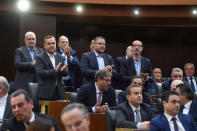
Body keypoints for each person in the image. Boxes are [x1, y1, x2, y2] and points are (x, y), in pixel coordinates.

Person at [36, 35, 68, 100]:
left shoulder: (60, 57)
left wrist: (63, 71)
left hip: (59, 92)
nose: (51, 45)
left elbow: (66, 73)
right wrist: (54, 71)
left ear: (56, 45)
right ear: (44, 46)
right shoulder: (40, 57)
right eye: (49, 44)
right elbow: (40, 72)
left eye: (53, 43)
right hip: (45, 93)